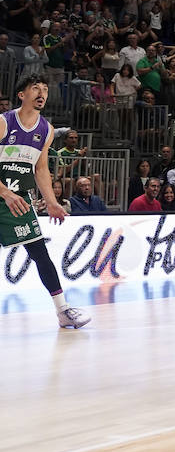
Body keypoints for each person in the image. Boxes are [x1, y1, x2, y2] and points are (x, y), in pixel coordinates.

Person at [0, 75, 92, 328]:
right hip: (5, 196)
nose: (42, 93)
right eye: (35, 89)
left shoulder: (46, 130)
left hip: (19, 201)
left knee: (39, 252)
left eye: (45, 89)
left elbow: (41, 169)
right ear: (21, 95)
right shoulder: (3, 123)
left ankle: (63, 310)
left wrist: (51, 201)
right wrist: (5, 193)